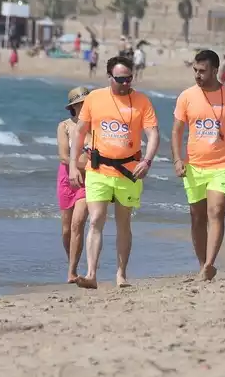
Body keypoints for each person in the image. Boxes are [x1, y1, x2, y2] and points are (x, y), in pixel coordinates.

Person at [67, 56, 159, 289]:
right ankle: (91, 274)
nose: (125, 83)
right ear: (109, 77)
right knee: (96, 219)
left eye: (129, 78)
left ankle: (120, 274)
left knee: (123, 223)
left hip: (129, 171)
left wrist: (147, 161)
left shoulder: (142, 101)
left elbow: (153, 134)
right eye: (120, 79)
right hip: (99, 169)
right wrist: (72, 165)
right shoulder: (95, 98)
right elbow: (79, 132)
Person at [171, 50, 225, 281]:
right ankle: (202, 266)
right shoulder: (186, 96)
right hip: (194, 167)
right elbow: (177, 132)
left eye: (202, 71)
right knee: (197, 217)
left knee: (216, 211)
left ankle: (210, 263)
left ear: (215, 70)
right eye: (195, 71)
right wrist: (178, 159)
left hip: (223, 166)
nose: (197, 75)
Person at [57, 87, 91, 283]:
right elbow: (63, 156)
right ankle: (73, 263)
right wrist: (77, 166)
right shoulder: (64, 126)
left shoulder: (96, 127)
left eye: (88, 104)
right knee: (66, 229)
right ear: (73, 107)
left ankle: (71, 271)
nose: (85, 107)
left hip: (89, 180)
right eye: (81, 104)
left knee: (78, 223)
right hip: (66, 178)